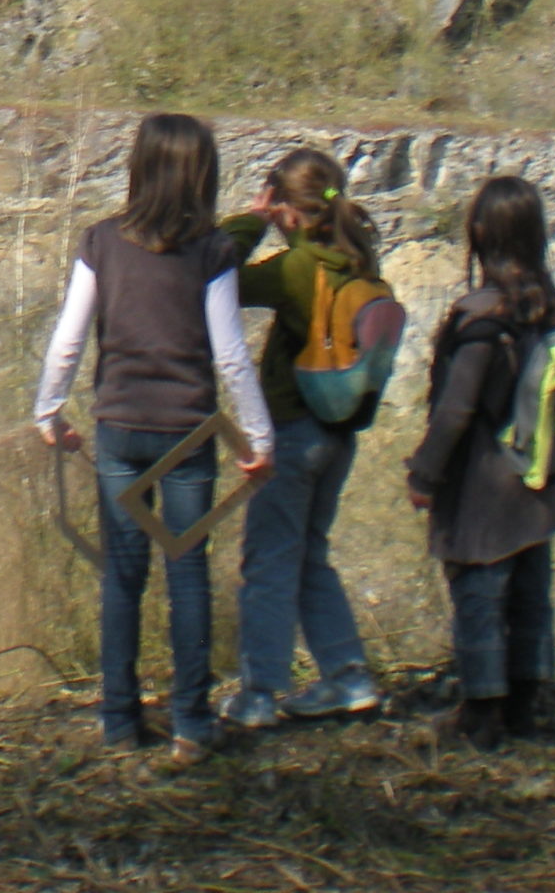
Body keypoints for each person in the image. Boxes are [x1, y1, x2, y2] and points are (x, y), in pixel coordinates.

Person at [35, 113, 274, 762]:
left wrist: (48, 411)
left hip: (119, 427)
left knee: (123, 577)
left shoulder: (102, 242)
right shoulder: (213, 251)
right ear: (202, 174)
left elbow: (68, 337)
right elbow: (229, 356)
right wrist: (258, 437)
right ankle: (192, 725)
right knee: (187, 574)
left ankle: (119, 722)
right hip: (188, 435)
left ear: (139, 166)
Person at [218, 147, 397, 728]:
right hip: (339, 435)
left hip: (293, 431)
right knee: (310, 557)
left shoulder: (298, 268)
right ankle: (348, 680)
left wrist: (250, 219)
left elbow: (219, 273)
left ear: (286, 209)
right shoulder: (359, 261)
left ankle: (260, 693)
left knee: (267, 561)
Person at [405, 174, 555, 749]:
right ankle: (525, 711)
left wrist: (425, 474)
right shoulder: (548, 309)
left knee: (480, 595)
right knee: (529, 598)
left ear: (480, 234)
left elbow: (455, 411)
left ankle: (481, 716)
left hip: (481, 489)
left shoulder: (480, 318)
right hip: (535, 481)